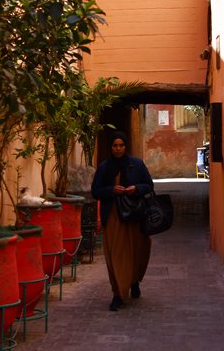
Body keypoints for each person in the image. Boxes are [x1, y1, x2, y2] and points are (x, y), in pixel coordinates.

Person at [91, 130, 154, 311]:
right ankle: (118, 293)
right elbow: (96, 191)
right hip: (113, 216)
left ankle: (133, 280)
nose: (118, 149)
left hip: (134, 216)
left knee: (137, 251)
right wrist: (112, 190)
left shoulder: (136, 165)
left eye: (121, 145)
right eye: (114, 146)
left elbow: (149, 185)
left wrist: (136, 188)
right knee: (115, 255)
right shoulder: (104, 168)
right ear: (110, 147)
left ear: (125, 147)